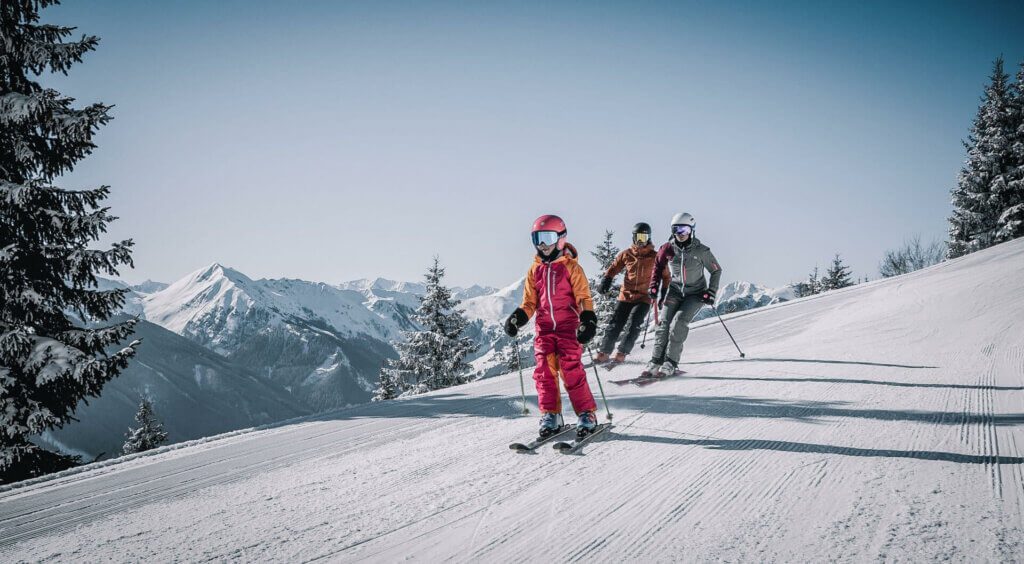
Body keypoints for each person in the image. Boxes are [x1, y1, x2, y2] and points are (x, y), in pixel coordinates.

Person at [503, 214, 600, 438]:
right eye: (538, 239)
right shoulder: (534, 270)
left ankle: (586, 413)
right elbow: (529, 303)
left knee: (571, 369)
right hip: (544, 329)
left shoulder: (572, 268)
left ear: (561, 238)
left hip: (568, 327)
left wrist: (588, 320)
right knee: (543, 372)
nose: (543, 245)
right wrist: (518, 317)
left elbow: (584, 297)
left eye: (547, 238)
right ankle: (551, 414)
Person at [644, 212, 722, 377]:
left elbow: (716, 270)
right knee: (663, 323)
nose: (681, 234)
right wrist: (653, 287)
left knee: (678, 323)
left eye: (685, 230)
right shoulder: (667, 248)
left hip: (696, 293)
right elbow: (657, 267)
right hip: (675, 291)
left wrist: (711, 292)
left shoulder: (701, 251)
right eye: (677, 230)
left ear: (691, 230)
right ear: (672, 230)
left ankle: (670, 362)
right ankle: (656, 360)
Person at [593, 222, 667, 365]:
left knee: (634, 323)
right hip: (625, 295)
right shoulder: (626, 254)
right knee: (615, 323)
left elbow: (666, 276)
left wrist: (663, 292)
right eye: (638, 237)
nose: (641, 241)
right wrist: (607, 280)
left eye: (644, 237)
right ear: (633, 237)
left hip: (644, 297)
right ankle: (604, 352)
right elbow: (614, 268)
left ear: (649, 238)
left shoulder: (655, 256)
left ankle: (622, 352)